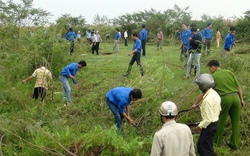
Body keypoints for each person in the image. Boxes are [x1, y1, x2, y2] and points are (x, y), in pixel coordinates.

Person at [192, 60, 245, 150]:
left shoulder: (213, 77)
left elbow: (204, 92)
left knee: (220, 120)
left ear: (213, 67)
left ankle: (216, 142)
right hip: (236, 98)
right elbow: (238, 86)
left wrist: (195, 103)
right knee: (236, 122)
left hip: (225, 99)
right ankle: (235, 144)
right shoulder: (229, 72)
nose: (210, 71)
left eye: (210, 69)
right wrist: (242, 99)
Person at [193, 74, 221, 156]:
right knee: (202, 146)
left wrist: (199, 126)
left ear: (202, 86)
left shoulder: (207, 100)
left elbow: (208, 119)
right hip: (214, 123)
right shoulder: (214, 93)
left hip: (209, 125)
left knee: (205, 149)